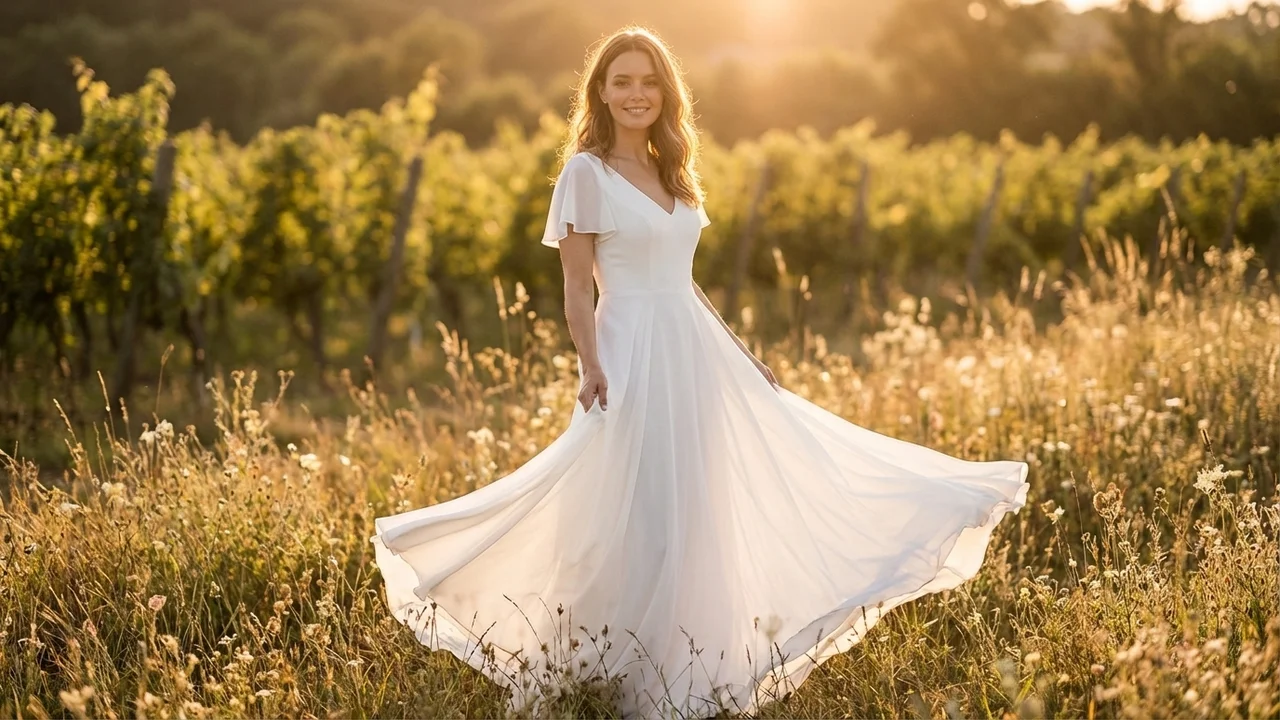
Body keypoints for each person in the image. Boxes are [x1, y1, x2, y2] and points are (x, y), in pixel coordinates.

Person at [370, 26, 1029, 719]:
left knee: (702, 506)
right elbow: (576, 286)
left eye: (649, 81)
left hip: (695, 355)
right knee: (629, 511)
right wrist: (590, 364)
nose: (636, 94)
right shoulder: (584, 173)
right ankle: (602, 668)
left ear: (665, 93)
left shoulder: (671, 169)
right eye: (621, 81)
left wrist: (742, 353)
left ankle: (688, 666)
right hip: (630, 354)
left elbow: (684, 283)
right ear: (600, 92)